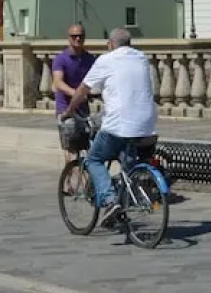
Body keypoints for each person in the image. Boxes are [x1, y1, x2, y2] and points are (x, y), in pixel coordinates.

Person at [59, 27, 157, 226]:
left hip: (120, 125)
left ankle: (110, 200)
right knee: (127, 164)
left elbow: (82, 90)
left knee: (94, 158)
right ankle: (124, 202)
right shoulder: (142, 58)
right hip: (148, 125)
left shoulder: (106, 60)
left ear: (110, 44)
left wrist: (69, 111)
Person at [52, 23, 96, 163]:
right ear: (68, 38)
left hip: (83, 109)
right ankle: (71, 179)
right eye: (74, 36)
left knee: (87, 144)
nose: (77, 39)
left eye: (80, 36)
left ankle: (82, 178)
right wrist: (76, 94)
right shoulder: (61, 59)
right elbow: (58, 82)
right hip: (65, 107)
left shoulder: (90, 59)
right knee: (71, 147)